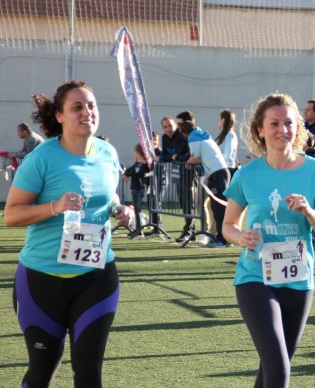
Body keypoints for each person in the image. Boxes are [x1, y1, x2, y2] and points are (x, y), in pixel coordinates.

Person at [3, 80, 132, 387]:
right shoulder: (42, 158)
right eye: (77, 107)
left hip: (96, 278)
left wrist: (120, 209)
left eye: (91, 106)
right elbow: (11, 214)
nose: (87, 112)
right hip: (42, 281)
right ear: (60, 116)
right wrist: (54, 207)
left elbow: (109, 196)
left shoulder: (108, 153)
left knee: (89, 374)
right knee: (42, 372)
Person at [222, 93, 315, 388]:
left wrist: (309, 212)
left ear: (298, 127)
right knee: (279, 370)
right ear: (260, 129)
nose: (282, 130)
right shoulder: (247, 174)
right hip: (255, 278)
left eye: (289, 123)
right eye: (274, 123)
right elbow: (228, 225)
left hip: (298, 279)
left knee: (272, 369)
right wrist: (240, 236)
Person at [178, 120, 231, 248]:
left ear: (184, 133)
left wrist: (187, 162)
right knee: (215, 206)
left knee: (219, 206)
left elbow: (195, 158)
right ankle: (221, 236)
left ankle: (224, 239)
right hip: (217, 173)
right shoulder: (200, 134)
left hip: (217, 174)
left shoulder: (193, 137)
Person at [160, 116, 192, 241]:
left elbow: (182, 153)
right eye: (165, 127)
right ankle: (189, 228)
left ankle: (189, 229)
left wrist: (175, 156)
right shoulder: (164, 138)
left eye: (170, 126)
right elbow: (164, 156)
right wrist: (173, 157)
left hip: (187, 171)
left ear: (175, 125)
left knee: (188, 201)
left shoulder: (181, 135)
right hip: (175, 171)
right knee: (182, 201)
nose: (168, 129)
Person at [123, 143, 150, 238]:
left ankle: (139, 230)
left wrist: (127, 174)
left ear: (138, 153)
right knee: (136, 209)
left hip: (139, 189)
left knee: (137, 210)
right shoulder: (137, 163)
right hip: (135, 189)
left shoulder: (141, 164)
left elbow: (135, 170)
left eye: (135, 152)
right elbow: (131, 169)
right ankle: (137, 229)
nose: (134, 154)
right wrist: (126, 173)